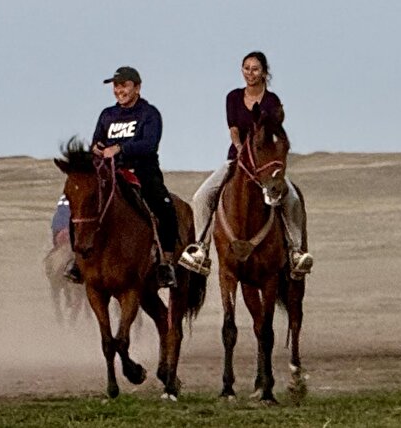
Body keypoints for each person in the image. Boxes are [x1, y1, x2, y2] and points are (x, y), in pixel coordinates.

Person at [179, 52, 314, 278]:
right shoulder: (233, 97)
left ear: (264, 73)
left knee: (291, 199)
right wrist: (240, 147)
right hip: (237, 159)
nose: (250, 73)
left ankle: (295, 251)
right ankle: (200, 248)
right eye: (246, 68)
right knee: (202, 196)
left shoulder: (272, 101)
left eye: (255, 69)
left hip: (265, 165)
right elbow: (233, 127)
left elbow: (273, 131)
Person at [87, 65, 180, 288]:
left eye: (124, 85)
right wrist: (97, 148)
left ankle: (166, 263)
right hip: (111, 173)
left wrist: (119, 149)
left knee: (165, 208)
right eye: (116, 86)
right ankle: (79, 260)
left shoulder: (149, 114)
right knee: (82, 207)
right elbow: (97, 140)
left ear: (137, 87)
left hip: (142, 171)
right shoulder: (107, 114)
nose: (119, 90)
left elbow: (149, 144)